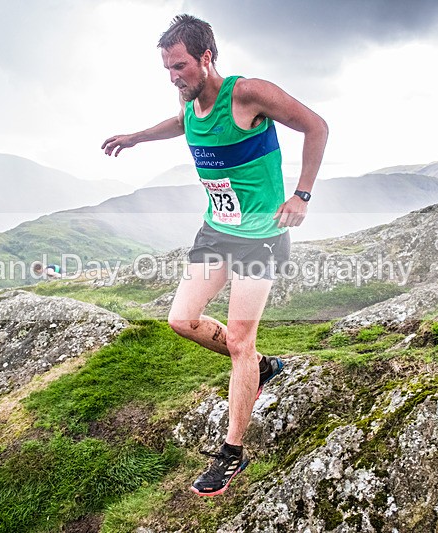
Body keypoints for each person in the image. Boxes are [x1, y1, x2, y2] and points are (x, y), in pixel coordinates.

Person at [101, 14, 328, 496]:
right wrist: (135, 138)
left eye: (180, 66)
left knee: (241, 340)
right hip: (216, 230)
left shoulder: (247, 94)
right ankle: (260, 367)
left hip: (259, 236)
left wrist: (302, 196)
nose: (174, 76)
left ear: (207, 57)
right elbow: (181, 123)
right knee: (181, 319)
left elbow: (316, 126)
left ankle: (232, 454)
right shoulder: (188, 101)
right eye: (167, 68)